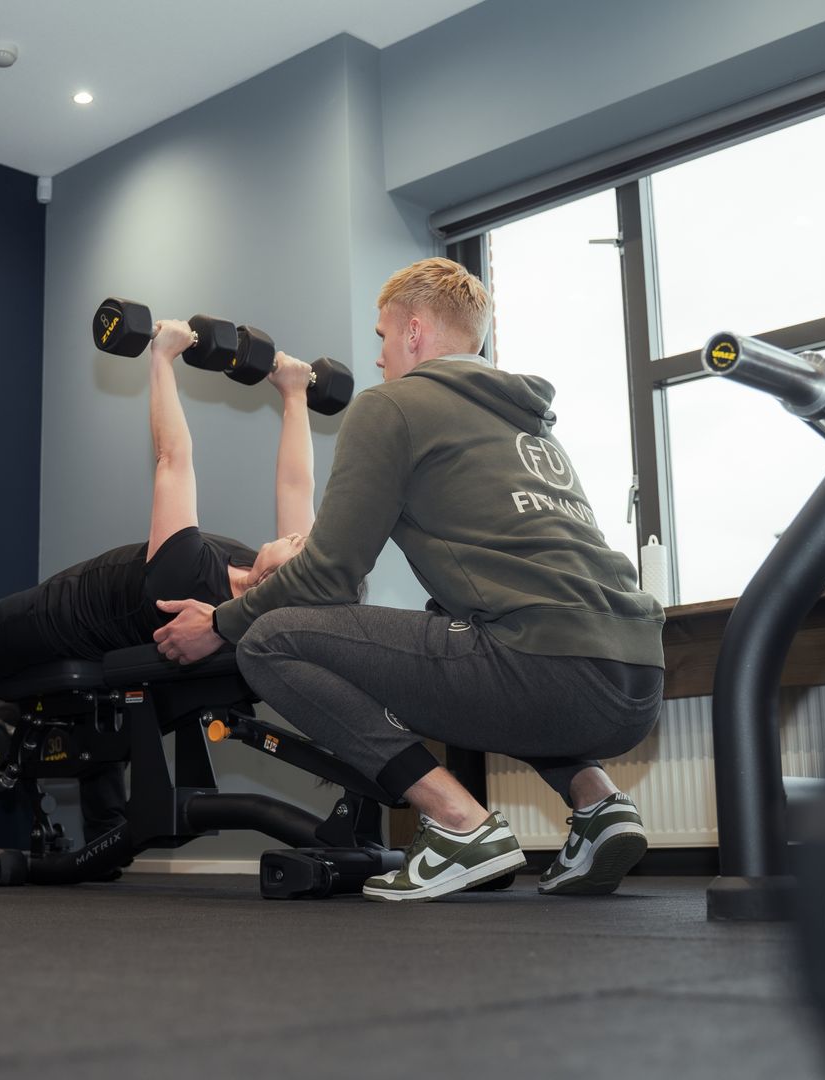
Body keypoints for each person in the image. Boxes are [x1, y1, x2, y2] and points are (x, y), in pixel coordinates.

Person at [154, 257, 667, 903]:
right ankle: (599, 805)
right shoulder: (527, 423)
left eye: (382, 337)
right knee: (485, 627)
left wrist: (220, 624)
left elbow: (330, 578)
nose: (378, 357)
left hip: (546, 670)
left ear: (416, 332)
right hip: (635, 680)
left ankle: (460, 825)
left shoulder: (392, 406)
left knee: (271, 639)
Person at [0, 319, 316, 885]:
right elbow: (297, 488)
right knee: (95, 702)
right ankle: (106, 833)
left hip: (54, 618)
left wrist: (162, 357)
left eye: (300, 547)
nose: (303, 537)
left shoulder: (189, 573)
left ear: (276, 578)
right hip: (104, 641)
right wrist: (294, 394)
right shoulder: (266, 585)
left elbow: (173, 457)